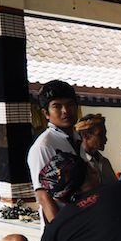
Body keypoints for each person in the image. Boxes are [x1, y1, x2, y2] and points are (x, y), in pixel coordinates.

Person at [27, 79, 83, 225]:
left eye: (70, 104)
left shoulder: (76, 139)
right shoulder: (44, 146)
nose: (65, 111)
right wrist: (61, 233)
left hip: (82, 222)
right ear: (46, 113)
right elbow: (44, 197)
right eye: (57, 106)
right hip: (65, 229)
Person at [76, 113, 117, 184]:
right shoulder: (78, 165)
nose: (105, 139)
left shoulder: (105, 162)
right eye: (100, 135)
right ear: (86, 136)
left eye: (105, 134)